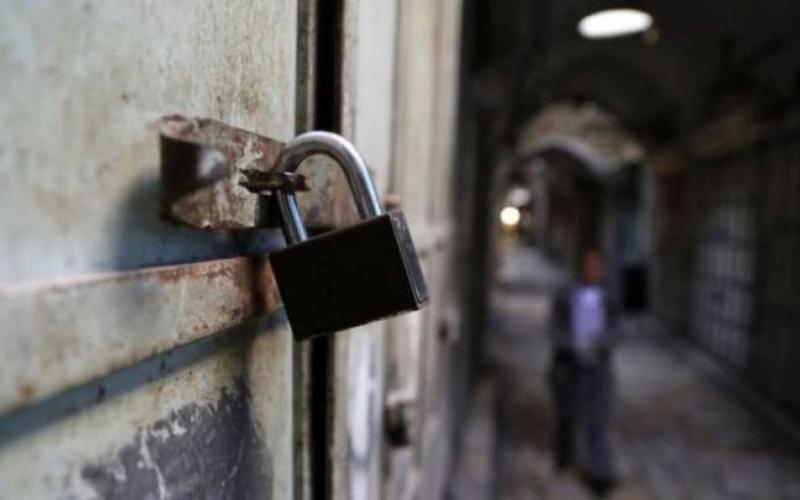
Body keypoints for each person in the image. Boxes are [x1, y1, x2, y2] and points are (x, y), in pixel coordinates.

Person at [549, 249, 618, 497]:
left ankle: (600, 474)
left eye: (596, 267)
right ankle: (563, 458)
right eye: (588, 266)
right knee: (567, 415)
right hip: (570, 365)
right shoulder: (566, 294)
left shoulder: (609, 297)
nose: (592, 271)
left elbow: (616, 329)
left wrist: (601, 343)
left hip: (597, 367)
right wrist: (570, 345)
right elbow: (555, 327)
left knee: (597, 420)